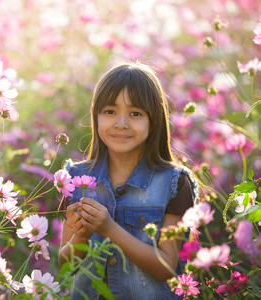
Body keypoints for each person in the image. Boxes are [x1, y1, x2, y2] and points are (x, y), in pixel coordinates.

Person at [58, 61, 199, 300]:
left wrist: (109, 229)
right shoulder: (75, 179)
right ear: (96, 115)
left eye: (135, 114)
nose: (121, 123)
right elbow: (66, 267)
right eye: (110, 112)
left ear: (153, 120)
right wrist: (81, 234)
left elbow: (167, 268)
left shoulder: (174, 183)